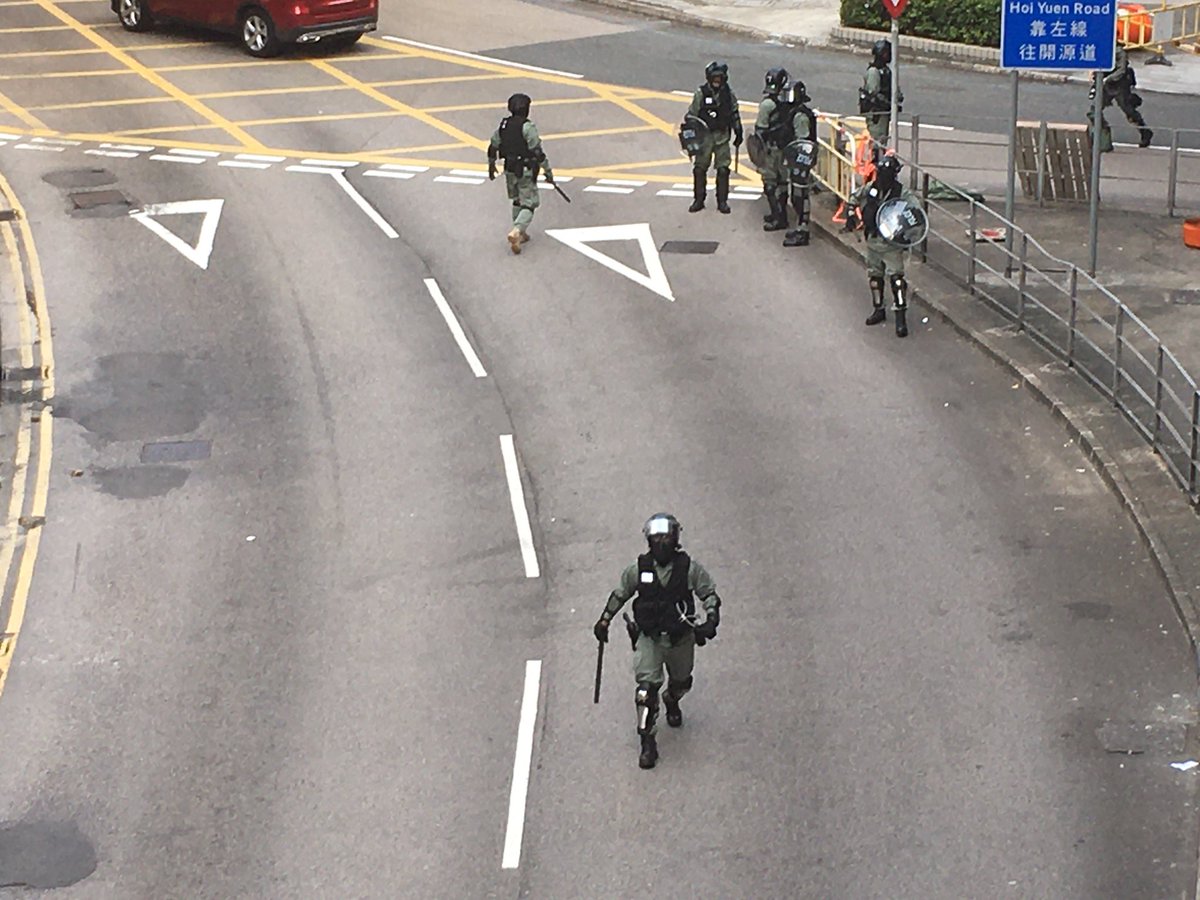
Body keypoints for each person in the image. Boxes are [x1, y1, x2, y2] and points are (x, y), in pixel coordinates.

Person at [592, 513, 722, 769]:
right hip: (649, 638)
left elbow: (709, 594)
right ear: (649, 539)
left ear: (675, 538)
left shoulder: (689, 569)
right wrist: (604, 620)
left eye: (667, 536)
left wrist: (711, 620)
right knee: (645, 691)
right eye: (657, 536)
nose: (662, 541)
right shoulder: (639, 570)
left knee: (682, 681)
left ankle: (672, 699)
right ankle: (647, 742)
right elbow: (621, 593)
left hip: (680, 638)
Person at [844, 153, 916, 338]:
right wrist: (851, 212)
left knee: (897, 281)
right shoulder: (872, 188)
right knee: (875, 278)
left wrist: (907, 233)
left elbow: (916, 215)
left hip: (892, 245)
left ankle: (901, 317)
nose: (882, 177)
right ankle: (879, 309)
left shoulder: (902, 193)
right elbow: (855, 197)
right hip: (873, 241)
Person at [755, 70, 818, 246]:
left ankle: (802, 231)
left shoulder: (800, 116)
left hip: (800, 161)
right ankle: (794, 225)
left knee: (799, 196)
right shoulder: (792, 112)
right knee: (790, 192)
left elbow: (803, 143)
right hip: (792, 159)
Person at [488, 93, 556, 255]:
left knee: (517, 200)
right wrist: (548, 172)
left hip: (509, 169)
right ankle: (517, 230)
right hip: (525, 169)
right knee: (530, 204)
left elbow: (493, 145)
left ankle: (520, 233)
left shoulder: (503, 125)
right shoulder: (528, 127)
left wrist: (491, 165)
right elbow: (538, 152)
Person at [686, 61, 743, 214]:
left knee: (723, 169)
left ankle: (722, 201)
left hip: (722, 137)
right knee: (699, 169)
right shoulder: (701, 93)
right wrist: (690, 138)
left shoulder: (728, 95)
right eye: (714, 77)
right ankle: (699, 199)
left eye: (720, 77)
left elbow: (734, 113)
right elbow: (692, 115)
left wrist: (738, 131)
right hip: (704, 138)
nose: (717, 80)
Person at [1087, 44, 1153, 151]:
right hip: (1106, 86)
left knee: (1129, 112)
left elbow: (1121, 70)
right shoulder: (1101, 47)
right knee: (1094, 112)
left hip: (1120, 86)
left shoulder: (1119, 52)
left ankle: (1145, 132)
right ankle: (1103, 137)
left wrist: (1107, 79)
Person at [859, 39, 902, 161]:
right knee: (877, 143)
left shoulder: (886, 71)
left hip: (884, 113)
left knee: (882, 141)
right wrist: (889, 104)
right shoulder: (874, 72)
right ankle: (874, 171)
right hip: (877, 114)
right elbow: (873, 95)